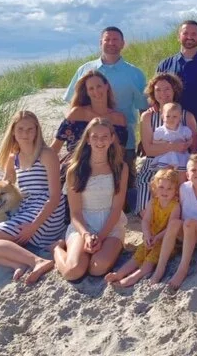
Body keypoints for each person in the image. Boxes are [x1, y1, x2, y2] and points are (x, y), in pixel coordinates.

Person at [0, 111, 66, 285]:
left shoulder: (46, 154)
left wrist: (33, 227)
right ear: (13, 132)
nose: (25, 134)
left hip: (47, 211)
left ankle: (38, 261)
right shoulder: (13, 158)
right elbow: (3, 189)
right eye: (20, 129)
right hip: (26, 208)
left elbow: (55, 196)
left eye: (30, 129)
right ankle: (18, 263)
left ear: (36, 131)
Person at [63, 26, 148, 183]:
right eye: (107, 39)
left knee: (124, 187)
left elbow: (144, 110)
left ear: (123, 43)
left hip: (123, 142)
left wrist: (145, 137)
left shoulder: (135, 74)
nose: (111, 43)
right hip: (86, 144)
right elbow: (72, 105)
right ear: (100, 42)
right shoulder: (85, 69)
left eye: (115, 39)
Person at [52, 118, 128, 281]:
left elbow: (116, 209)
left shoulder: (120, 168)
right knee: (73, 271)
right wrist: (86, 235)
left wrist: (100, 237)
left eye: (104, 137)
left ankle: (109, 247)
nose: (100, 141)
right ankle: (58, 249)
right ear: (87, 139)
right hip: (83, 224)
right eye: (95, 137)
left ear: (112, 138)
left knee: (97, 268)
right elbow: (75, 212)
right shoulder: (75, 170)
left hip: (110, 223)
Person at [150, 154, 197, 290]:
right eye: (193, 170)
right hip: (186, 234)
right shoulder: (184, 188)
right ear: (188, 175)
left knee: (189, 223)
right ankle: (160, 268)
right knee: (174, 223)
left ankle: (182, 270)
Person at [133, 73, 197, 214]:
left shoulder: (187, 116)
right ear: (153, 93)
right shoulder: (148, 116)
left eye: (167, 89)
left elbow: (194, 148)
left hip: (181, 164)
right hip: (153, 163)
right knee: (145, 187)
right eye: (158, 90)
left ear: (174, 90)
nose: (163, 93)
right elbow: (149, 150)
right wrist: (173, 146)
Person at [105, 168, 180, 287]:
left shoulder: (175, 206)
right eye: (161, 187)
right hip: (150, 237)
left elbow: (170, 228)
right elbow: (146, 221)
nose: (165, 191)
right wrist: (147, 235)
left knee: (148, 263)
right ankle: (119, 274)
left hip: (164, 241)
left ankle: (133, 278)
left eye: (169, 188)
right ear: (155, 188)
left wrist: (157, 238)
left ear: (175, 190)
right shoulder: (153, 202)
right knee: (136, 258)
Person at [51, 70, 128, 183]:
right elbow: (55, 148)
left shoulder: (119, 119)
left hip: (107, 171)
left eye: (99, 86)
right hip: (76, 169)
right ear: (86, 92)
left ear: (106, 86)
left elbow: (119, 154)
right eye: (91, 88)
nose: (96, 91)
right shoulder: (77, 114)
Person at [152, 102, 193, 181]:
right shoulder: (160, 131)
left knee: (182, 176)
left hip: (181, 156)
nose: (171, 119)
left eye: (174, 116)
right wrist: (165, 144)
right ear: (162, 117)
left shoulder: (184, 130)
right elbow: (154, 142)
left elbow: (190, 139)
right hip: (166, 157)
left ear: (180, 117)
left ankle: (181, 189)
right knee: (164, 176)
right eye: (168, 116)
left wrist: (187, 145)